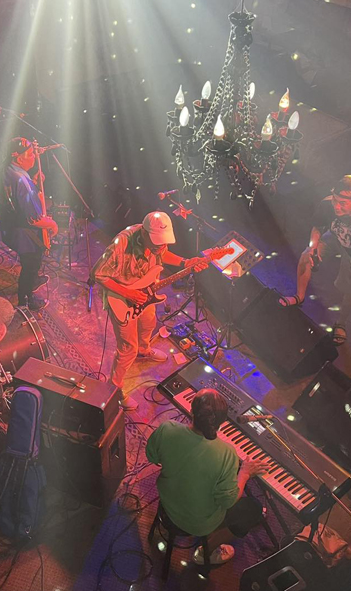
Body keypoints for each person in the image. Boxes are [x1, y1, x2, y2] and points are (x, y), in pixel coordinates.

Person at [91, 211, 207, 410]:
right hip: (121, 299)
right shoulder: (122, 243)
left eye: (163, 243)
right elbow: (98, 274)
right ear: (144, 233)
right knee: (127, 348)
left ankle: (144, 351)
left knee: (148, 322)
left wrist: (185, 262)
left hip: (145, 292)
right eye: (156, 243)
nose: (160, 247)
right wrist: (129, 294)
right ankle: (114, 389)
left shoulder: (158, 242)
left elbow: (162, 253)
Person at [146, 389, 270, 565]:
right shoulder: (227, 453)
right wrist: (245, 473)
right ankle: (207, 550)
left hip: (167, 503)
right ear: (221, 422)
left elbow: (152, 457)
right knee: (253, 507)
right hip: (198, 523)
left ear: (191, 411)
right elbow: (228, 501)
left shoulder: (167, 428)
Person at [279, 175, 351, 345]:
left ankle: (341, 323)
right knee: (306, 256)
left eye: (342, 203)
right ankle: (299, 296)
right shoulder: (327, 204)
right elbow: (318, 227)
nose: (336, 206)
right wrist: (313, 246)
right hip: (335, 237)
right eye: (335, 200)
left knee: (350, 287)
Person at [0, 137, 58, 312]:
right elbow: (34, 219)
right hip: (24, 234)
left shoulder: (9, 170)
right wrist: (52, 224)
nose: (34, 157)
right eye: (31, 154)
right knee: (31, 264)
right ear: (18, 158)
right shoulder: (22, 180)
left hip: (10, 228)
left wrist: (35, 183)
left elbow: (18, 200)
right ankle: (25, 299)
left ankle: (33, 280)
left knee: (31, 264)